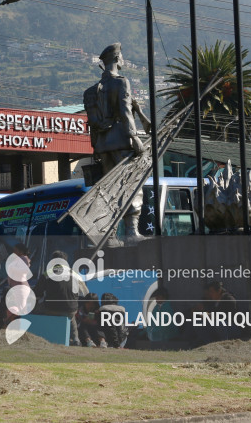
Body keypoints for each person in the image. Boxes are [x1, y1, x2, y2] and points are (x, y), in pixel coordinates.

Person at [83, 42, 152, 242]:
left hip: (103, 145)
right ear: (116, 58)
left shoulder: (90, 91)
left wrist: (95, 146)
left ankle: (109, 235)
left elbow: (92, 124)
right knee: (131, 185)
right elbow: (125, 112)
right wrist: (135, 137)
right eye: (121, 56)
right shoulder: (121, 83)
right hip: (122, 143)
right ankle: (131, 232)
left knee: (108, 190)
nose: (123, 59)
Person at [33, 250, 86, 346]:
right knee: (71, 315)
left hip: (51, 309)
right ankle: (76, 339)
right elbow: (85, 292)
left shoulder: (47, 274)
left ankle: (36, 336)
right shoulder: (75, 274)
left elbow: (37, 294)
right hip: (71, 309)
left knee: (34, 310)